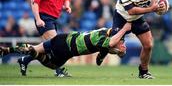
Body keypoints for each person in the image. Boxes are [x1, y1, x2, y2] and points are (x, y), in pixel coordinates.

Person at [96, 0, 168, 79]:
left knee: (149, 45)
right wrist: (151, 9)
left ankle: (143, 72)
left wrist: (161, 2)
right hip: (122, 17)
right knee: (119, 51)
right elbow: (131, 11)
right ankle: (103, 51)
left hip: (138, 18)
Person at [0, 23, 131, 74]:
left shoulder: (104, 32)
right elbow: (99, 60)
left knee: (37, 48)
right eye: (121, 41)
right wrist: (117, 51)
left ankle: (7, 50)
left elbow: (105, 52)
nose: (122, 43)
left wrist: (116, 50)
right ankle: (32, 55)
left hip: (64, 37)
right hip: (66, 49)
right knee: (52, 65)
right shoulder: (102, 41)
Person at [17, 0, 72, 77]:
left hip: (53, 19)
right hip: (44, 18)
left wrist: (67, 6)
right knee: (57, 45)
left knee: (46, 48)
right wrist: (38, 19)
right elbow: (34, 1)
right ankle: (58, 70)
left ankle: (25, 59)